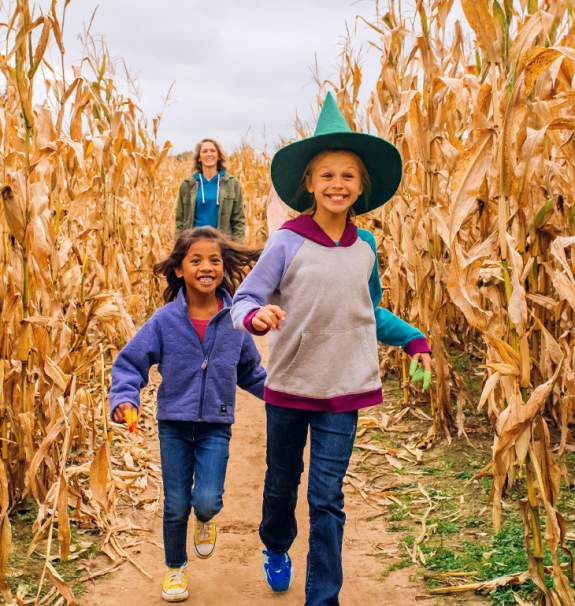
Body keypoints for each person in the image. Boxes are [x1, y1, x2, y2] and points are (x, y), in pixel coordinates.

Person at [231, 92, 432, 606]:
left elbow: (368, 312)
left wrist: (412, 339)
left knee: (327, 499)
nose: (337, 184)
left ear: (361, 186)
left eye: (347, 175)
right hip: (291, 387)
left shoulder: (366, 248)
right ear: (310, 185)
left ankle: (323, 598)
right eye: (327, 175)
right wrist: (256, 316)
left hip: (347, 388)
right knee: (281, 486)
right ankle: (276, 545)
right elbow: (246, 297)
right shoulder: (286, 242)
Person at [109, 227, 265, 602]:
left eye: (215, 260)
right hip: (174, 425)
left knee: (207, 500)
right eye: (196, 260)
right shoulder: (164, 321)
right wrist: (124, 398)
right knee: (176, 504)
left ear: (225, 269)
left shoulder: (234, 321)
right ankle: (175, 570)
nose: (206, 267)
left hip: (216, 424)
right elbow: (131, 363)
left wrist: (280, 397)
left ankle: (206, 520)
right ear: (179, 269)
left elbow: (251, 371)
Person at [175, 138, 246, 242]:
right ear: (199, 158)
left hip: (222, 245)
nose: (209, 154)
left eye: (212, 151)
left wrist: (237, 247)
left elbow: (238, 221)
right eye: (204, 151)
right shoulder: (188, 184)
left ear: (218, 156)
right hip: (194, 244)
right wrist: (179, 247)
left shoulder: (232, 183)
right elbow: (180, 221)